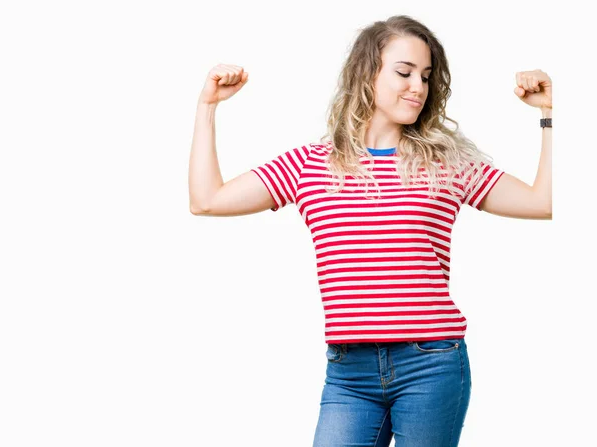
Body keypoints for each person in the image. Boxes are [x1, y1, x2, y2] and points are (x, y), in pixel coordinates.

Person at [189, 14, 552, 447]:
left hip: (430, 363)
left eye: (426, 76)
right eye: (404, 72)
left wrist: (551, 114)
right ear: (367, 73)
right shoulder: (309, 164)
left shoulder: (445, 162)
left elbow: (543, 201)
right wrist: (207, 106)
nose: (417, 86)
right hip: (348, 372)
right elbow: (206, 199)